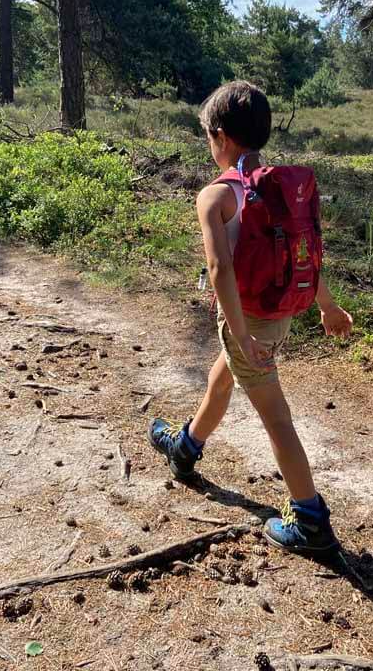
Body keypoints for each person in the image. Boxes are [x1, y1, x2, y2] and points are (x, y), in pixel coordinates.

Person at [149, 81, 354, 555]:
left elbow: (221, 269)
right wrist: (326, 304)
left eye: (208, 137)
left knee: (276, 419)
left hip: (249, 323)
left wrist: (239, 333)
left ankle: (310, 522)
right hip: (277, 316)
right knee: (219, 380)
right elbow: (302, 251)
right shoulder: (278, 187)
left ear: (219, 136)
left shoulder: (216, 196)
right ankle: (185, 448)